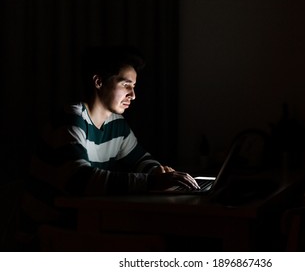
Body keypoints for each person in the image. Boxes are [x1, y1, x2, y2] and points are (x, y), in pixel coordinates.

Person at [21, 46, 199, 240]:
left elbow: (141, 159)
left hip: (81, 225)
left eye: (134, 86)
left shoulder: (116, 124)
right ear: (98, 82)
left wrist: (159, 172)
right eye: (126, 85)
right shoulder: (71, 119)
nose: (133, 95)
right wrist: (152, 182)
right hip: (47, 235)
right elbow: (78, 180)